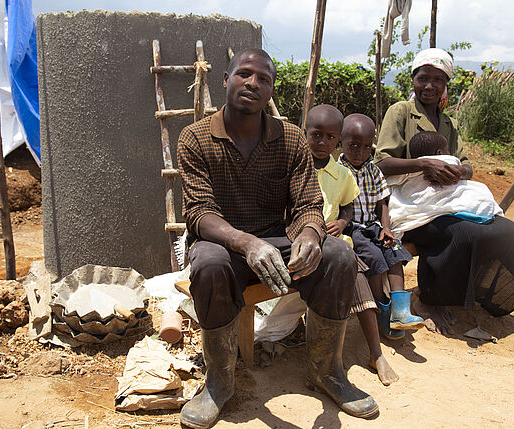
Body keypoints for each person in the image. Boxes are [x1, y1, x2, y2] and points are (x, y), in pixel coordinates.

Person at [176, 49, 378, 428]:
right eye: (244, 74)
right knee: (208, 263)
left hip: (277, 244)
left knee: (339, 255)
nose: (253, 83)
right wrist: (247, 243)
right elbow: (198, 212)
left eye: (263, 79)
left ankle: (326, 371)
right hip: (224, 245)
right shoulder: (195, 138)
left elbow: (308, 203)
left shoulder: (290, 138)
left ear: (270, 91)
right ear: (226, 79)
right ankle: (219, 381)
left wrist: (311, 234)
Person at [375, 48, 514, 334]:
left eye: (437, 80)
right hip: (413, 205)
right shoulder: (401, 112)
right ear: (413, 80)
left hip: (445, 202)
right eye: (423, 78)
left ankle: (481, 294)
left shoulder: (448, 122)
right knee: (463, 233)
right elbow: (382, 163)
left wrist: (454, 171)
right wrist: (424, 164)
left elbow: (466, 165)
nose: (429, 86)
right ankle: (428, 299)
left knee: (504, 229)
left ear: (445, 84)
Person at [305, 104, 398, 386]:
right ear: (305, 134)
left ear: (337, 142)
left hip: (336, 242)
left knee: (354, 271)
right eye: (316, 135)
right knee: (350, 268)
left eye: (330, 137)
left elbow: (347, 209)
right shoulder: (298, 165)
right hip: (304, 240)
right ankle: (332, 361)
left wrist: (343, 223)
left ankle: (374, 353)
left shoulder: (342, 174)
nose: (322, 142)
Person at [337, 113, 424, 341]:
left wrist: (386, 228)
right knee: (374, 257)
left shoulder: (373, 170)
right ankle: (381, 307)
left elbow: (381, 203)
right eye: (353, 145)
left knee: (394, 251)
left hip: (373, 226)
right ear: (341, 142)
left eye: (366, 147)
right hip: (352, 229)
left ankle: (400, 309)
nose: (360, 152)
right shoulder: (338, 172)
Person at [387, 131, 504, 237]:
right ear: (439, 152)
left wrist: (459, 172)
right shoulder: (447, 161)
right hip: (441, 218)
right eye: (447, 151)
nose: (449, 154)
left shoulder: (450, 124)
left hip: (422, 214)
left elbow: (467, 168)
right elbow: (382, 164)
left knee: (506, 228)